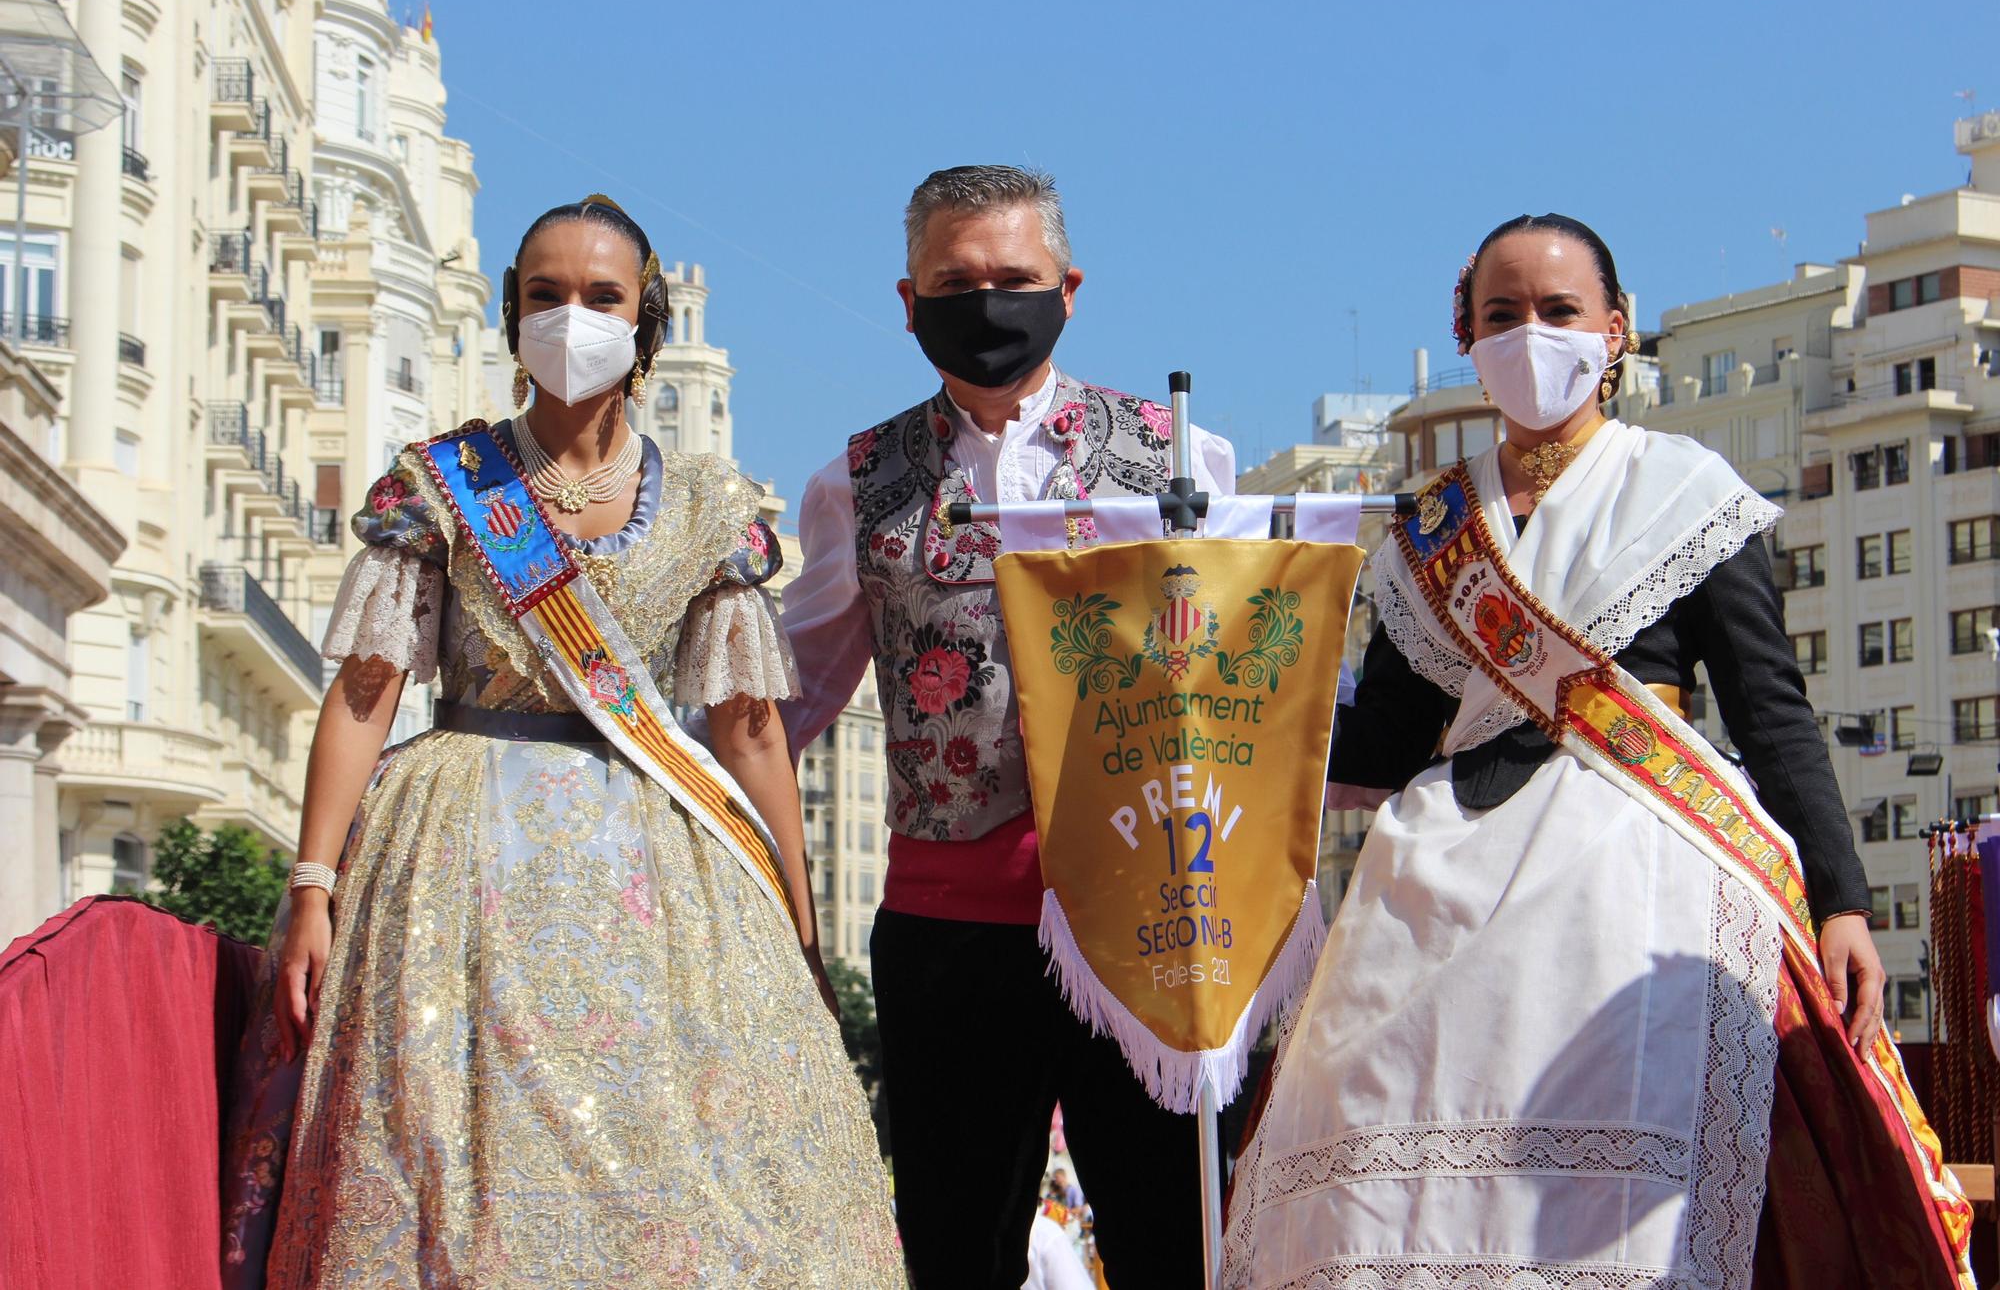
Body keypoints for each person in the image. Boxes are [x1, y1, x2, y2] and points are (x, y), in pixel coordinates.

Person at [1222, 215, 1971, 1286]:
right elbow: (1377, 746)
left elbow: (1770, 711)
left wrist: (1839, 901)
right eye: (1501, 314)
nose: (1530, 333)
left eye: (1558, 312)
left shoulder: (1680, 490)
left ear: (1613, 331)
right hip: (1440, 877)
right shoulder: (1430, 531)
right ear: (1464, 334)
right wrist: (1226, 714)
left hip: (1643, 860)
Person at [220, 196, 903, 1286]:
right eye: (544, 295)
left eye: (600, 297)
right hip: (448, 865)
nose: (570, 316)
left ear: (646, 325)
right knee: (443, 1147)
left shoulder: (709, 509)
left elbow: (751, 731)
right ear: (508, 317)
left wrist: (799, 931)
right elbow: (361, 692)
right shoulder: (439, 487)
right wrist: (310, 883)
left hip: (663, 868)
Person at [780, 164, 1234, 1288]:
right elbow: (792, 693)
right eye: (955, 280)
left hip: (1145, 913)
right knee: (952, 1244)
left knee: (1171, 1237)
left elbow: (1247, 690)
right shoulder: (854, 480)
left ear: (1068, 287)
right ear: (907, 297)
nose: (985, 301)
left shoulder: (1183, 458)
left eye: (1012, 278)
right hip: (947, 927)